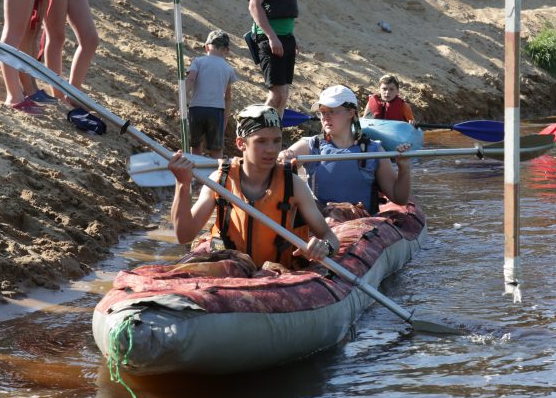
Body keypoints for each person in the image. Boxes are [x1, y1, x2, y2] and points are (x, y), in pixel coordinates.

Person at [168, 104, 339, 269]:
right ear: (241, 143)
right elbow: (184, 236)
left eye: (276, 141)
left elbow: (330, 238)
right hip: (231, 270)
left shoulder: (294, 185)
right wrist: (182, 184)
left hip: (276, 274)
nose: (271, 149)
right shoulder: (219, 181)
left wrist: (325, 247)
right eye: (261, 141)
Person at [278, 85, 412, 215]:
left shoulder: (373, 150)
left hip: (361, 223)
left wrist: (404, 168)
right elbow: (280, 160)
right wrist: (284, 156)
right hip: (321, 221)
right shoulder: (311, 145)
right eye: (322, 112)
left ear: (351, 113)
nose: (325, 117)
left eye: (332, 111)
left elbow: (399, 198)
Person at [247, 0, 301, 116]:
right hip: (269, 38)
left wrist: (290, 38)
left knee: (283, 95)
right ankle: (258, 130)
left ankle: (275, 131)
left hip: (285, 37)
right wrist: (272, 37)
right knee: (277, 95)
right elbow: (254, 5)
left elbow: (283, 6)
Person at [187, 30, 238, 159]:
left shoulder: (198, 61)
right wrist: (225, 118)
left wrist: (180, 96)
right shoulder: (228, 68)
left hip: (197, 108)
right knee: (217, 149)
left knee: (196, 146)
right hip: (216, 111)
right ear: (227, 50)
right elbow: (227, 97)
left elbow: (191, 80)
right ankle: (217, 170)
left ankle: (196, 169)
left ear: (207, 47)